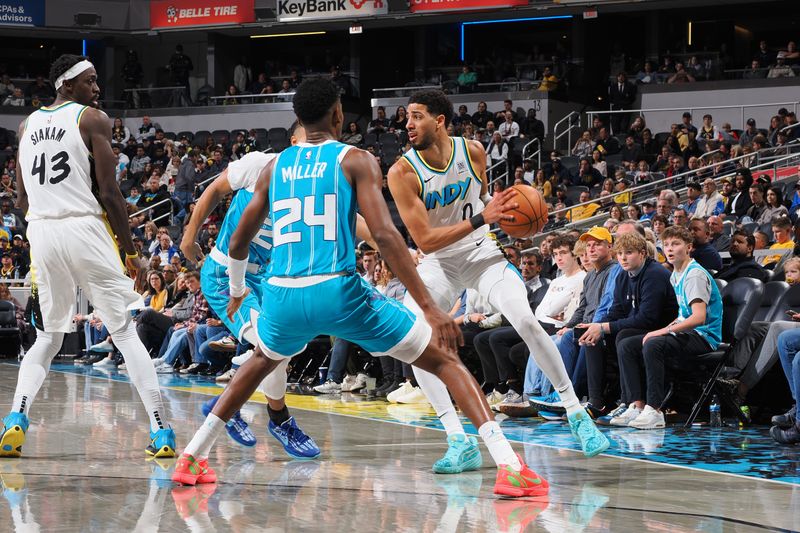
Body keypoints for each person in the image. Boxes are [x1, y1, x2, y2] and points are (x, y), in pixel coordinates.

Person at [174, 80, 554, 498]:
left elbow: (239, 239)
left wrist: (236, 287)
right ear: (338, 116)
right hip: (338, 291)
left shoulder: (274, 167)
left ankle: (193, 456)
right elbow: (386, 235)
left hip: (282, 295)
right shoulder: (356, 159)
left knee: (262, 360)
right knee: (444, 359)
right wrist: (429, 306)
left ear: (298, 119)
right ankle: (509, 466)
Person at [387, 89, 609, 467]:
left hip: (481, 254)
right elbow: (424, 239)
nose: (408, 124)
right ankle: (459, 441)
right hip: (439, 262)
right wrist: (482, 218)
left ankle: (576, 414)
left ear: (439, 121)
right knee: (411, 339)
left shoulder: (473, 151)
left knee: (525, 319)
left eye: (417, 116)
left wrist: (510, 217)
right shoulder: (401, 172)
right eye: (407, 117)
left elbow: (489, 205)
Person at [0, 54, 174, 458]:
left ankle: (15, 419)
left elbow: (23, 198)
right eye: (90, 81)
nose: (97, 89)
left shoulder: (25, 126)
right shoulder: (91, 119)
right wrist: (132, 253)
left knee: (47, 337)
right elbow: (111, 193)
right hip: (83, 226)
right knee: (125, 331)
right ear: (67, 84)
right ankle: (161, 431)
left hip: (41, 229)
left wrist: (44, 228)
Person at [179, 128, 330, 455]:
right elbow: (214, 190)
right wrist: (189, 236)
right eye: (310, 138)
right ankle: (272, 416)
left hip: (266, 279)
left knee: (283, 350)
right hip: (225, 273)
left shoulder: (314, 186)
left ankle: (247, 405)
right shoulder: (260, 163)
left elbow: (349, 221)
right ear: (293, 142)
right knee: (271, 345)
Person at [614, 225, 722, 429]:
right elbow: (682, 316)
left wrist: (662, 331)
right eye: (666, 245)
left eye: (676, 244)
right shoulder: (676, 274)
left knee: (654, 344)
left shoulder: (694, 274)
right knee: (627, 344)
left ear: (689, 247)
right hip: (687, 332)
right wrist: (662, 330)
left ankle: (655, 410)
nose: (670, 249)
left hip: (704, 337)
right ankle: (636, 404)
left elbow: (699, 317)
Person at [577, 231, 678, 426]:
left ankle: (634, 402)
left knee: (624, 337)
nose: (623, 258)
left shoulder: (655, 274)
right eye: (620, 253)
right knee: (592, 338)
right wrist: (597, 326)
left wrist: (605, 327)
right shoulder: (624, 276)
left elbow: (649, 318)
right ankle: (597, 401)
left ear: (642, 253)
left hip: (662, 329)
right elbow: (616, 310)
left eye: (629, 252)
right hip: (640, 327)